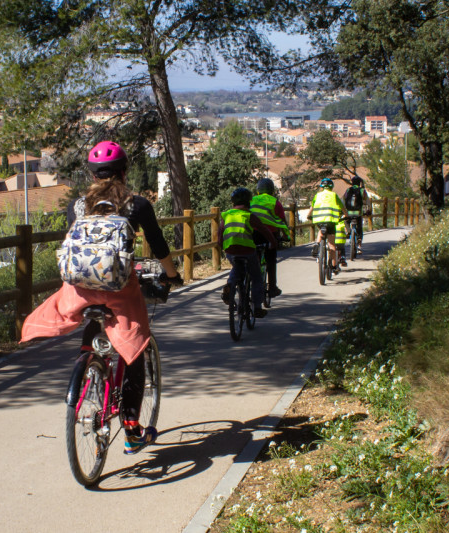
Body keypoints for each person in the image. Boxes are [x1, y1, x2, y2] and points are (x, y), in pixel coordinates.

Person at [21, 140, 183, 454]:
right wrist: (172, 275)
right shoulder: (137, 205)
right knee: (134, 346)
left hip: (78, 289)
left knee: (92, 315)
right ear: (124, 171)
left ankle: (88, 358)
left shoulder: (78, 206)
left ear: (92, 174)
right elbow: (159, 246)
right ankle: (133, 428)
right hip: (120, 287)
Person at [218, 187, 277, 318]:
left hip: (231, 250)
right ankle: (257, 308)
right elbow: (264, 230)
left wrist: (222, 246)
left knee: (236, 267)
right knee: (256, 277)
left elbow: (220, 234)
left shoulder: (226, 215)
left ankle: (231, 285)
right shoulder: (249, 215)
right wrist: (273, 242)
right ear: (249, 202)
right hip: (248, 250)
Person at [250, 177, 289, 298]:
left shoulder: (251, 200)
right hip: (270, 234)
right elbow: (282, 221)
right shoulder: (275, 202)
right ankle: (272, 287)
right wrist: (286, 236)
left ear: (258, 190)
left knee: (252, 257)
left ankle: (248, 281)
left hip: (253, 233)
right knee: (271, 260)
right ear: (272, 191)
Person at [306, 178, 348, 274]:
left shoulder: (317, 195)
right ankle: (333, 266)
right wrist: (346, 215)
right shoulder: (334, 195)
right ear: (331, 187)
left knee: (321, 230)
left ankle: (317, 244)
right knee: (332, 245)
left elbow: (312, 207)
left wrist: (309, 215)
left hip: (319, 220)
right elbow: (343, 207)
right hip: (331, 220)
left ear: (321, 187)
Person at [343, 175, 371, 254]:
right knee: (359, 228)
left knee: (346, 221)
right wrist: (368, 211)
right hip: (358, 213)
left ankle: (348, 231)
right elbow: (368, 202)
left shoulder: (348, 190)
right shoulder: (362, 191)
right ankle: (359, 246)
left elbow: (343, 200)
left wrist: (343, 211)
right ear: (359, 183)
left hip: (349, 213)